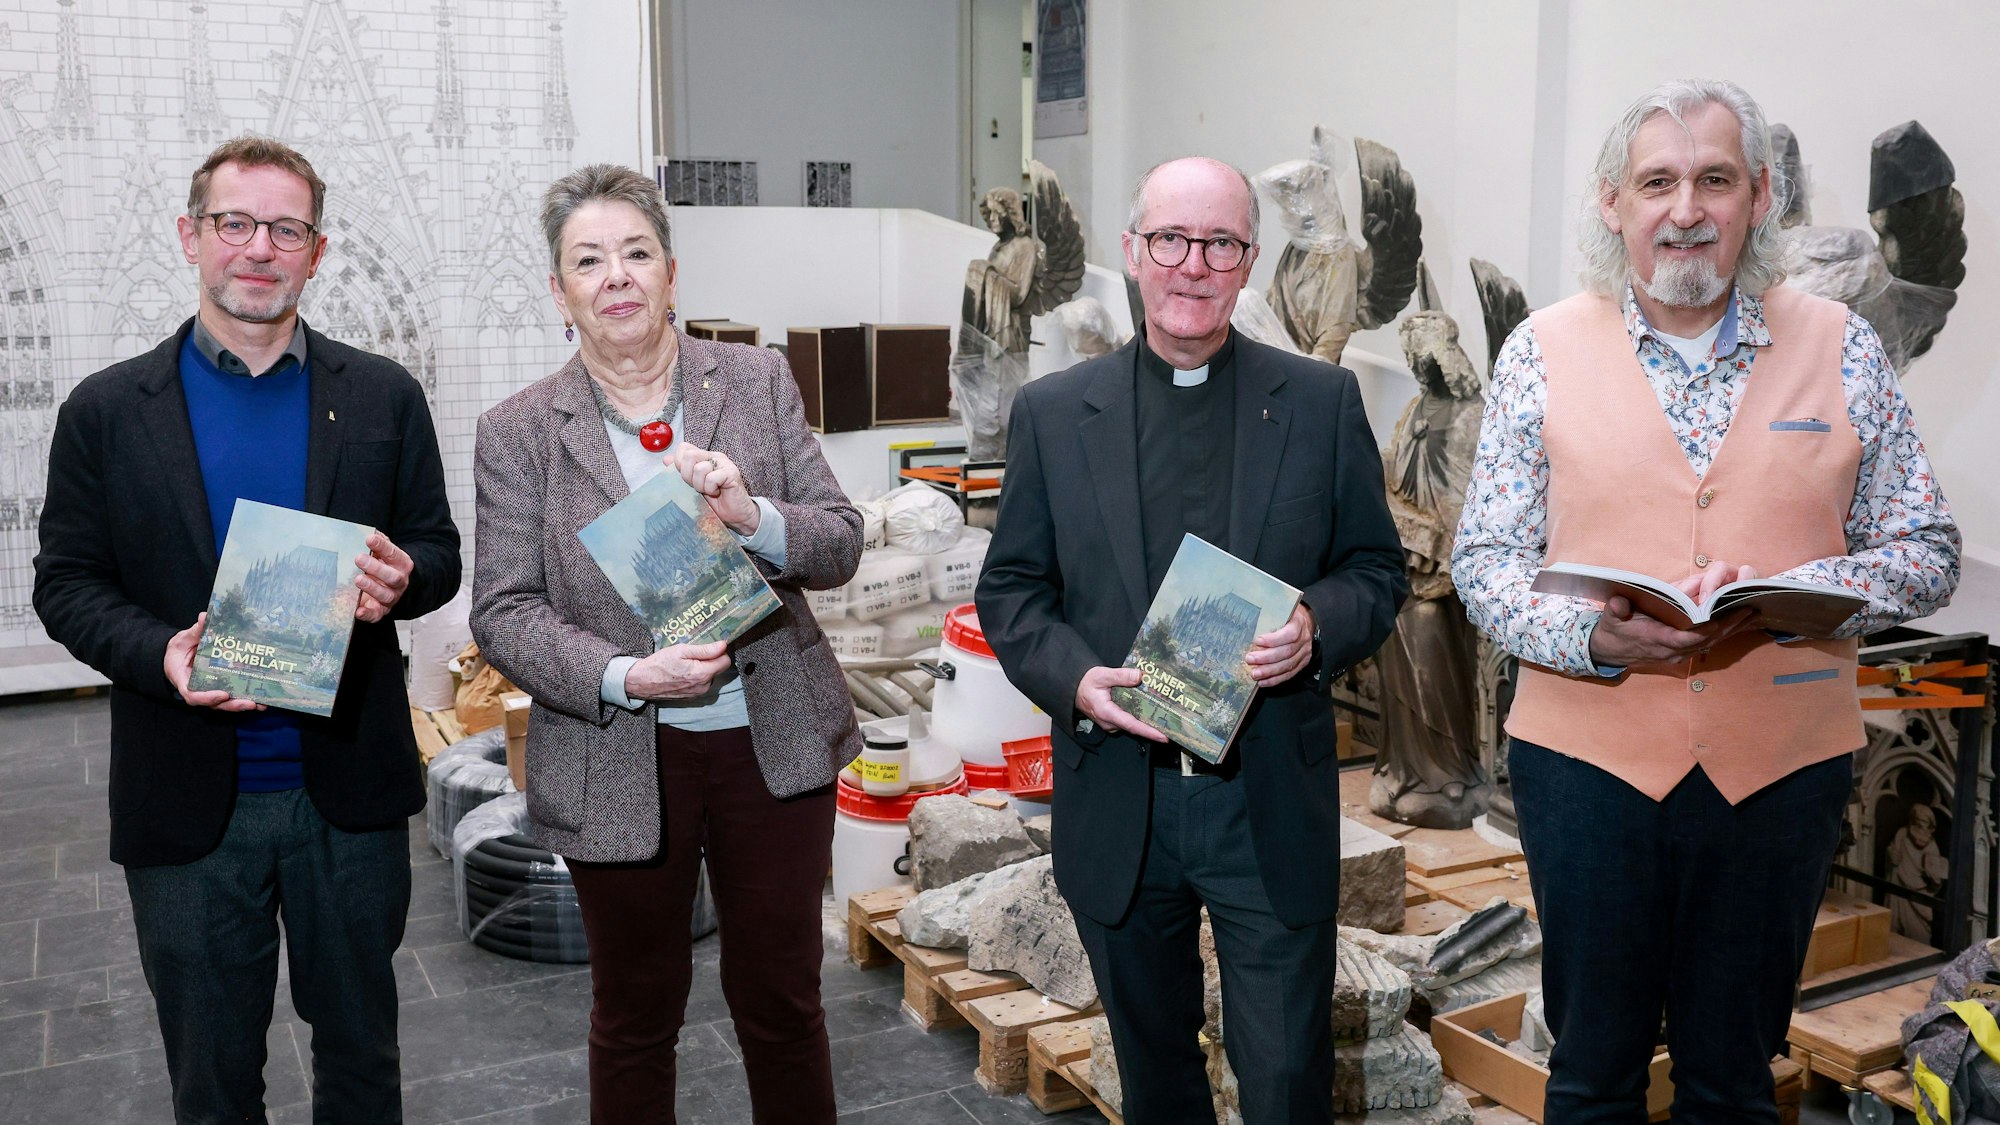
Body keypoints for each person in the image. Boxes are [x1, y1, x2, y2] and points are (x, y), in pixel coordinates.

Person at [1452, 78, 1959, 1123]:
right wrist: (1584, 633)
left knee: (1733, 1078)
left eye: (1714, 179)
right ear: (1611, 203)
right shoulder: (1538, 352)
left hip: (1777, 768)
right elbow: (1484, 560)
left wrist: (1803, 592)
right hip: (1585, 767)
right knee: (1590, 1071)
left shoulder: (1839, 347)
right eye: (1656, 182)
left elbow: (1925, 547)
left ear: (1757, 196)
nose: (1684, 208)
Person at [33, 135, 460, 1123]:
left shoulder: (382, 396)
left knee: (361, 1061)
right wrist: (158, 653)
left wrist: (404, 579)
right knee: (213, 1080)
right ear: (192, 237)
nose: (258, 247)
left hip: (345, 796)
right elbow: (67, 585)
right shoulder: (106, 412)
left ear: (316, 251)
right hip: (187, 804)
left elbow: (436, 549)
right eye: (235, 223)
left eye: (286, 228)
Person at [976, 155, 1407, 1124]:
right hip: (1120, 803)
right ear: (1131, 252)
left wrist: (1313, 629)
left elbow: (1377, 574)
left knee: (1287, 1082)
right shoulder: (1052, 415)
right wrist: (1076, 680)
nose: (1192, 264)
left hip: (1262, 804)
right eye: (1169, 239)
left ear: (1247, 260)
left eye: (1219, 243)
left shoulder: (1318, 404)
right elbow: (1010, 591)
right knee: (1155, 1079)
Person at [469, 163, 863, 1124]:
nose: (617, 276)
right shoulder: (518, 430)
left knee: (782, 1000)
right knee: (637, 1012)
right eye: (588, 259)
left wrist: (755, 515)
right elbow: (504, 608)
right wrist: (623, 673)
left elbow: (840, 537)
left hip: (772, 738)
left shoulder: (757, 379)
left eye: (636, 252)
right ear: (559, 289)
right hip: (617, 752)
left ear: (672, 273)